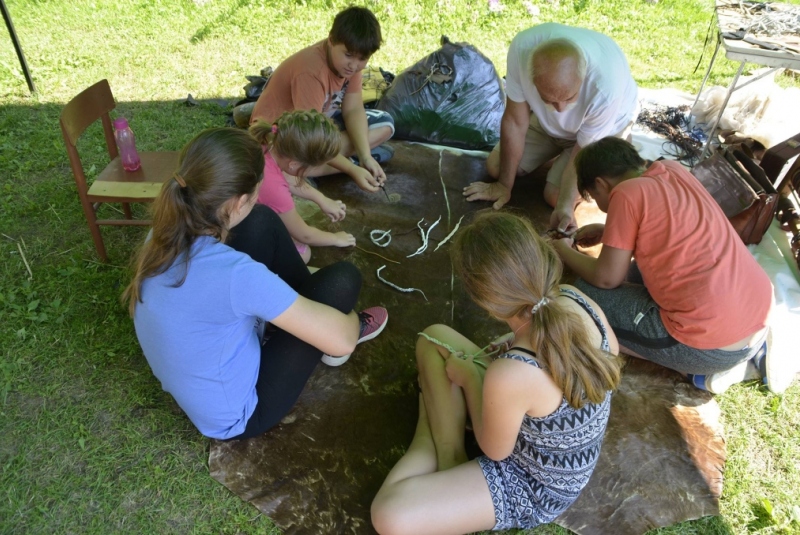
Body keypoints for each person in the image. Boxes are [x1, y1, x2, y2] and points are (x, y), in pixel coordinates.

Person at [122, 127, 388, 440]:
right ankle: (309, 317)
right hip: (239, 415)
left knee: (261, 220)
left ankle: (298, 312)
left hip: (203, 378)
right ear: (239, 201)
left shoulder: (165, 231)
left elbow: (228, 270)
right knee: (344, 280)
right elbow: (341, 342)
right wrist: (343, 321)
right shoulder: (237, 275)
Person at [371, 212, 622, 534]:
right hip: (532, 411)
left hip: (536, 484)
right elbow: (607, 350)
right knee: (433, 337)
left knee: (389, 516)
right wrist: (510, 342)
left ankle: (426, 438)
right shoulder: (576, 299)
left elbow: (496, 450)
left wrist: (471, 379)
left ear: (484, 300)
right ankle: (451, 457)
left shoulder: (512, 373)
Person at [552, 136, 774, 394]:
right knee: (633, 272)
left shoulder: (625, 192)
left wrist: (562, 249)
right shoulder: (672, 169)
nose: (601, 205)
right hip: (755, 313)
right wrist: (612, 231)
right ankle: (736, 353)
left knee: (582, 298)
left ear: (601, 184)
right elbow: (672, 225)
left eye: (596, 196)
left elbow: (606, 279)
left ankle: (696, 369)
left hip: (713, 347)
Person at [463, 23, 638, 234]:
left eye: (569, 97)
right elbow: (515, 121)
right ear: (534, 79)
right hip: (549, 126)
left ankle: (617, 146)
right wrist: (503, 185)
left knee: (554, 196)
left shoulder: (605, 87)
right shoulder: (522, 51)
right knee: (497, 168)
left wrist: (565, 207)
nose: (560, 108)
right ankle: (558, 155)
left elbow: (582, 153)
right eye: (549, 99)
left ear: (583, 78)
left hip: (599, 133)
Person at [250, 6, 395, 195]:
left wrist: (366, 156)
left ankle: (346, 160)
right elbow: (312, 138)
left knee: (385, 125)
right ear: (331, 40)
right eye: (348, 55)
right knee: (289, 161)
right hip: (280, 136)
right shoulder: (311, 72)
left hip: (316, 122)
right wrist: (353, 170)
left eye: (362, 59)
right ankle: (314, 168)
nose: (354, 65)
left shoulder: (351, 66)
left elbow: (353, 110)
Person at [250, 110, 355, 264]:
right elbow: (305, 235)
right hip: (226, 231)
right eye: (311, 169)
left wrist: (321, 199)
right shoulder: (275, 189)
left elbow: (288, 178)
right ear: (293, 164)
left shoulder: (268, 143)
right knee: (303, 254)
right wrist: (336, 238)